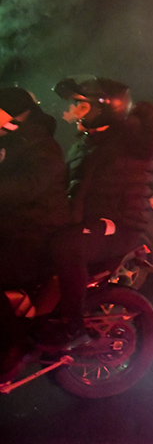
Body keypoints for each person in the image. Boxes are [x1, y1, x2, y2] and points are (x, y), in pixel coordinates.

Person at [47, 79, 153, 344]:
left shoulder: (127, 142)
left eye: (81, 105)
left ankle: (72, 326)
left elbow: (148, 141)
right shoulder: (86, 143)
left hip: (117, 225)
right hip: (90, 220)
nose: (74, 110)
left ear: (103, 109)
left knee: (67, 245)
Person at [0, 88, 69, 294]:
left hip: (33, 232)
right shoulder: (9, 140)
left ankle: (17, 326)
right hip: (10, 225)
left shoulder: (43, 146)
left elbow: (29, 186)